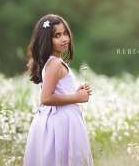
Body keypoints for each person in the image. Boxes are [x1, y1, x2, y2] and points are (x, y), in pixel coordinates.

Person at [23, 14, 94, 166]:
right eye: (57, 36)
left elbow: (58, 90)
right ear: (46, 40)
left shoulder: (54, 62)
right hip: (61, 122)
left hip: (59, 118)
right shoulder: (55, 64)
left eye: (65, 33)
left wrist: (75, 92)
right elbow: (46, 98)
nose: (64, 39)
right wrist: (77, 97)